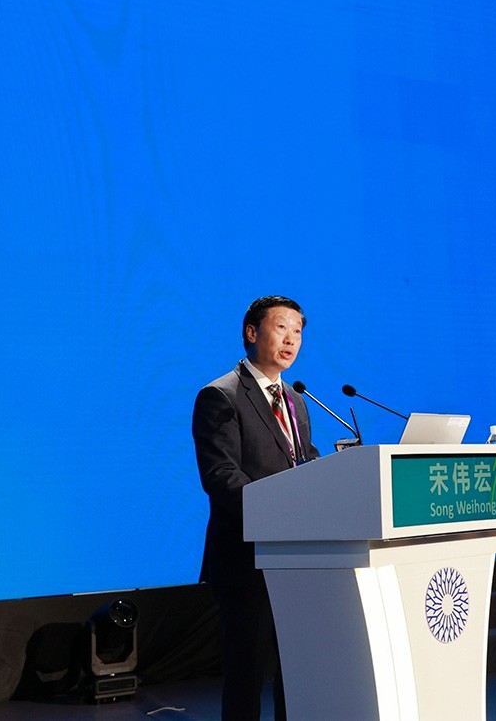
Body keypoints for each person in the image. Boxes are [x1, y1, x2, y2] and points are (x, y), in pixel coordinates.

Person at [193, 295, 319, 721]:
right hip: (246, 558)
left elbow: (303, 464)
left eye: (297, 331)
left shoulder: (296, 401)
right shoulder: (220, 395)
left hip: (297, 557)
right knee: (246, 672)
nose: (291, 339)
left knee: (297, 670)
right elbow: (221, 476)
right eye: (281, 327)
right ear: (252, 332)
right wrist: (276, 515)